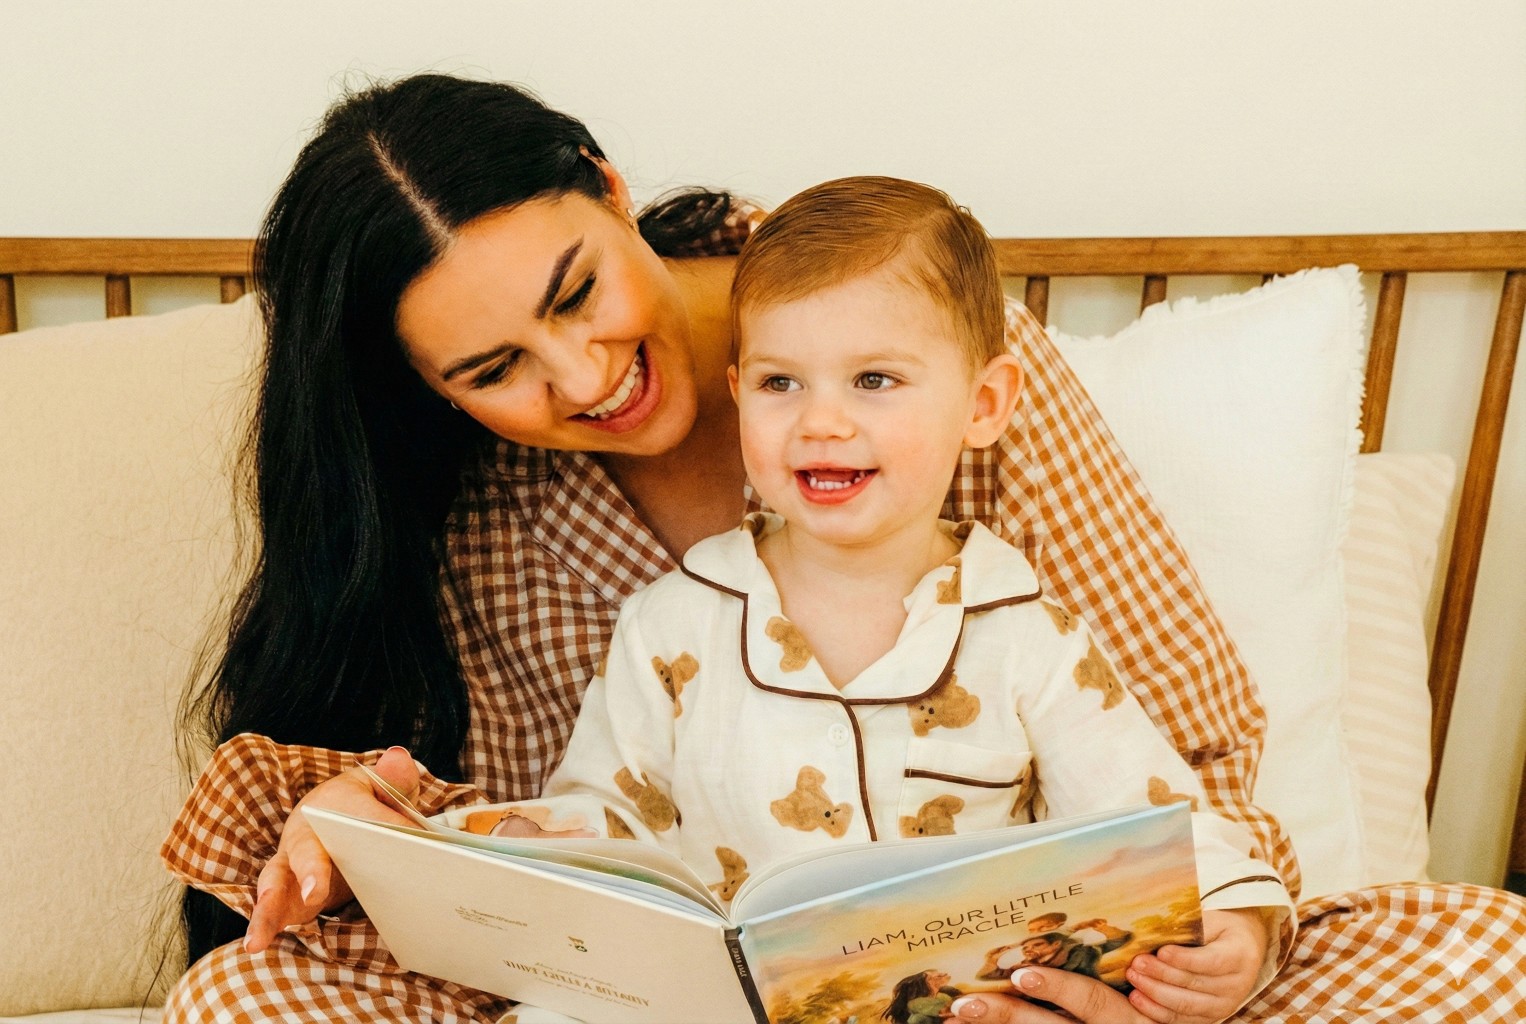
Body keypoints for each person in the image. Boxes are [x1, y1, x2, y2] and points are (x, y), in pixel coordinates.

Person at [160, 71, 1526, 1023]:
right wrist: (388, 821)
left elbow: (1173, 775)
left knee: (1487, 953)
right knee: (241, 995)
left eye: (576, 293)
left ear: (608, 185)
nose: (578, 378)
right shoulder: (617, 593)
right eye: (494, 369)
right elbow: (573, 835)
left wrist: (1202, 950)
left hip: (1013, 991)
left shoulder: (951, 450)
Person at [476, 175, 1290, 1023]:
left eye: (873, 380)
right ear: (738, 389)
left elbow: (1150, 819)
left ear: (984, 405)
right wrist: (532, 839)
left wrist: (1239, 924)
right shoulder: (671, 621)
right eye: (780, 383)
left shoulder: (1024, 632)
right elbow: (609, 814)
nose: (821, 422)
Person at [884, 969, 962, 1024]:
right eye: (937, 976)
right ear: (925, 984)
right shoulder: (917, 1004)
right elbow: (946, 1012)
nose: (944, 974)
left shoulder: (943, 995)